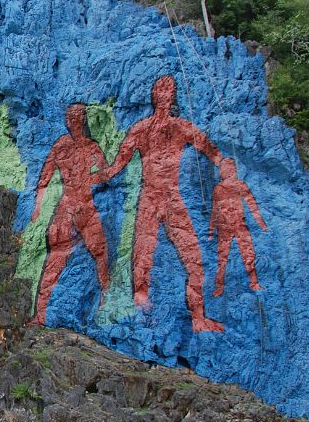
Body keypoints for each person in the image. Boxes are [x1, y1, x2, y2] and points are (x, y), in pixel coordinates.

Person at [100, 75, 225, 332]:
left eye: (169, 89)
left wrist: (224, 164)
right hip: (149, 197)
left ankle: (198, 317)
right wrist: (95, 176)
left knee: (193, 257)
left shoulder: (181, 127)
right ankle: (140, 302)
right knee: (142, 253)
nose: (164, 93)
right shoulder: (141, 129)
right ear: (154, 94)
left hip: (173, 198)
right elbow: (117, 165)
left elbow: (208, 147)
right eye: (160, 88)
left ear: (174, 95)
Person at [31, 103, 110, 325]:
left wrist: (92, 179)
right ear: (67, 120)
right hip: (67, 207)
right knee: (55, 257)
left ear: (83, 120)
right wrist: (38, 207)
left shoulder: (92, 147)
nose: (74, 120)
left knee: (101, 252)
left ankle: (107, 302)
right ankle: (40, 313)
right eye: (70, 116)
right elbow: (45, 177)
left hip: (86, 206)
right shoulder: (61, 145)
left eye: (78, 116)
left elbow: (104, 173)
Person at [210, 157, 267, 297]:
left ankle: (254, 282)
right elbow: (215, 211)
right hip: (224, 228)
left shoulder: (240, 186)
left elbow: (252, 206)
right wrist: (211, 230)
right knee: (222, 259)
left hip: (240, 225)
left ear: (231, 169)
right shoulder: (218, 189)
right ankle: (219, 287)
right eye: (221, 168)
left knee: (248, 253)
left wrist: (262, 224)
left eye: (224, 168)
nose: (221, 171)